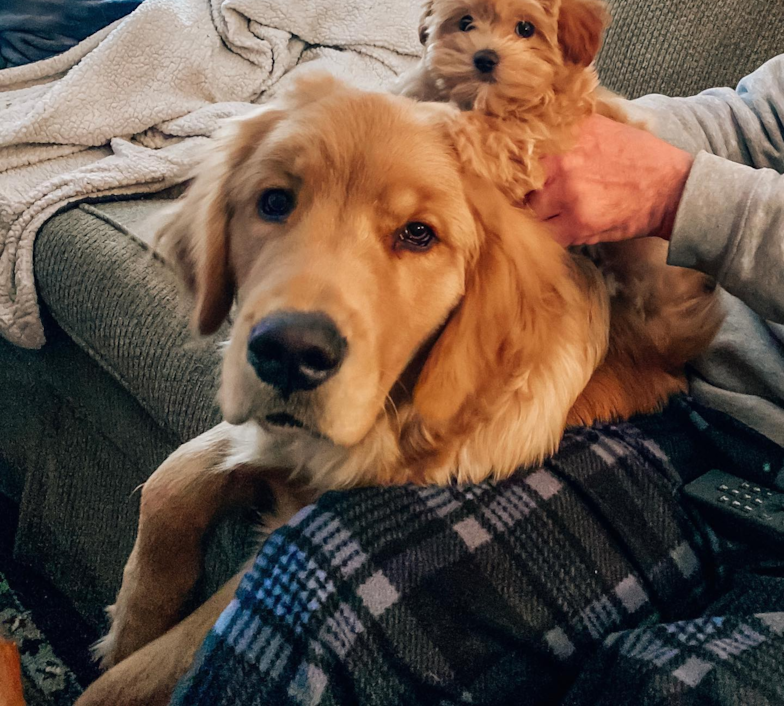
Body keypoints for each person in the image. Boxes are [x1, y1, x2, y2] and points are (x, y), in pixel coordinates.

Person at [172, 59, 784, 706]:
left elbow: (684, 184)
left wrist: (679, 193)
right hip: (699, 399)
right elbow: (747, 123)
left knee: (669, 688)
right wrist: (528, 140)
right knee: (318, 590)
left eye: (415, 233)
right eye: (275, 202)